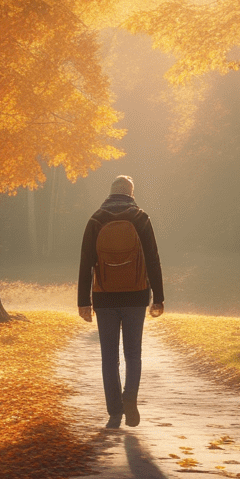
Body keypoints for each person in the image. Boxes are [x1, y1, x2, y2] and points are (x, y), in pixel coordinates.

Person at [78, 175, 164, 429]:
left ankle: (115, 412)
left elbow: (85, 262)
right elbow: (152, 259)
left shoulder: (96, 219)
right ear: (131, 193)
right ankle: (130, 398)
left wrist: (83, 301)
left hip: (104, 297)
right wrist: (158, 297)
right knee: (133, 354)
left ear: (111, 192)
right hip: (136, 295)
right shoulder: (141, 218)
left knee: (109, 357)